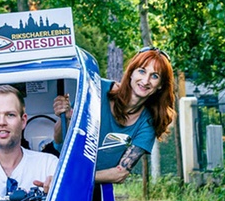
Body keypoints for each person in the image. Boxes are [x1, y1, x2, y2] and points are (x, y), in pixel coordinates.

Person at [52, 46, 176, 183]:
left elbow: (120, 174)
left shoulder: (148, 122)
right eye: (141, 71)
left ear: (160, 85)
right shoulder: (97, 88)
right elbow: (59, 141)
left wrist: (73, 179)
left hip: (90, 182)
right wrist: (67, 116)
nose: (146, 81)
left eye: (154, 76)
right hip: (57, 166)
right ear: (131, 73)